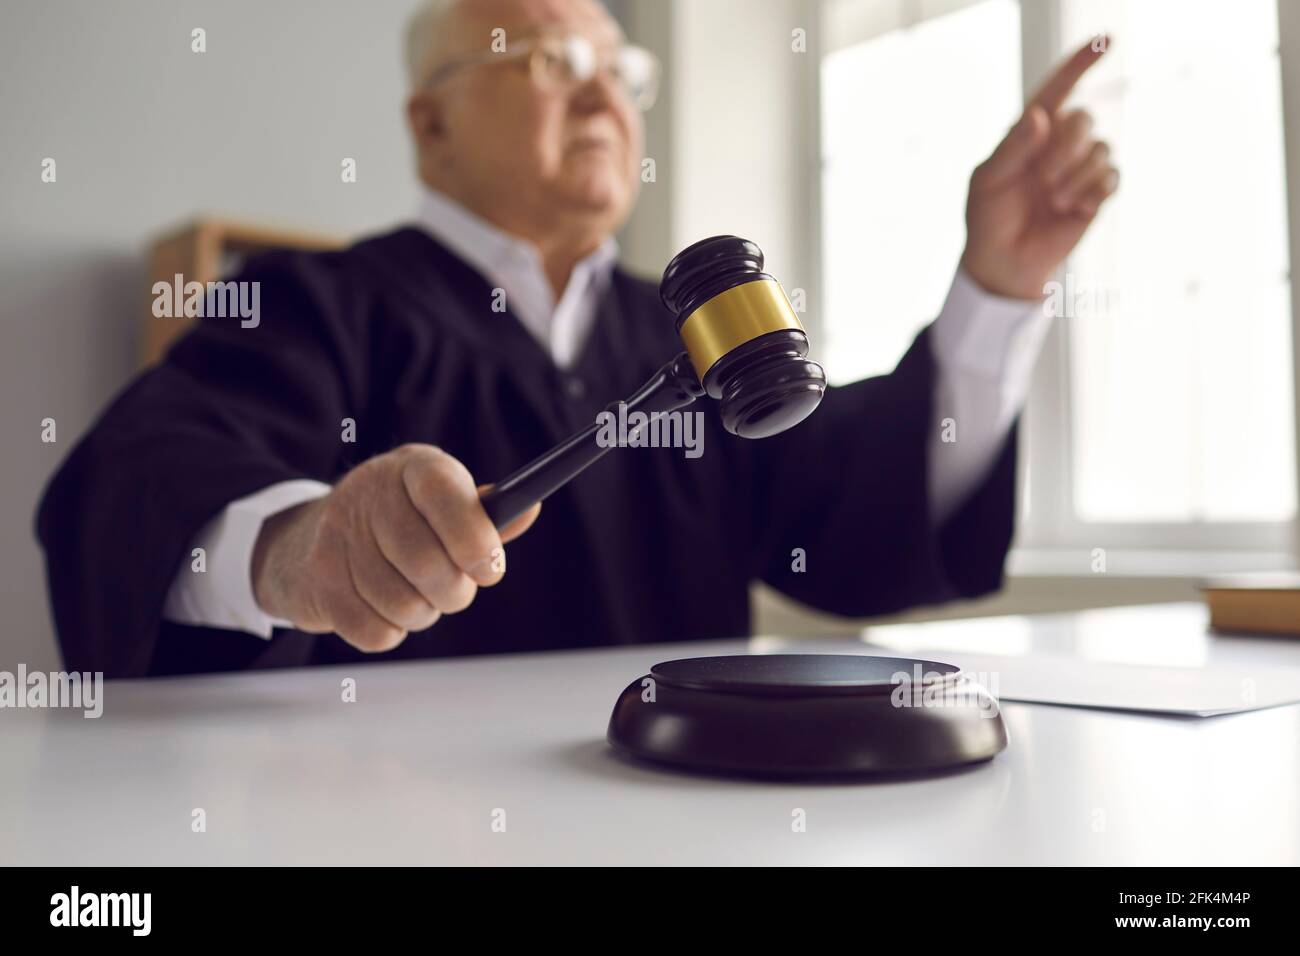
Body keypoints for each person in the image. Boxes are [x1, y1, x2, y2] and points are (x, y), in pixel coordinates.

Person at [36, 0, 1118, 677]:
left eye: (623, 69)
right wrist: (296, 551)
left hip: (683, 826)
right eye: (550, 59)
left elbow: (857, 510)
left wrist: (994, 289)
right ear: (431, 123)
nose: (604, 91)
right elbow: (128, 484)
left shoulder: (687, 334)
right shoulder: (309, 301)